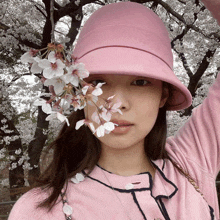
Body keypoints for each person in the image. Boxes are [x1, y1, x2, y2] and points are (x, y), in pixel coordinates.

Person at [8, 0, 220, 219]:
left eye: (140, 82)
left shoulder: (192, 160)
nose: (117, 104)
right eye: (99, 81)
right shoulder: (39, 210)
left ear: (163, 95)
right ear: (78, 93)